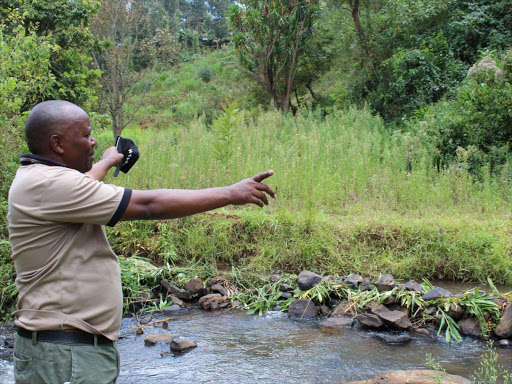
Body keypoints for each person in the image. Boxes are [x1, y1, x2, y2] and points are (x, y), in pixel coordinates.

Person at [8, 100, 275, 384]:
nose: (93, 141)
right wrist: (231, 193)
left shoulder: (37, 177)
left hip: (59, 349)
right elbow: (150, 205)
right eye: (85, 135)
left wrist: (110, 160)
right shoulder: (53, 185)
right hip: (67, 356)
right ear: (57, 143)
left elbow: (84, 184)